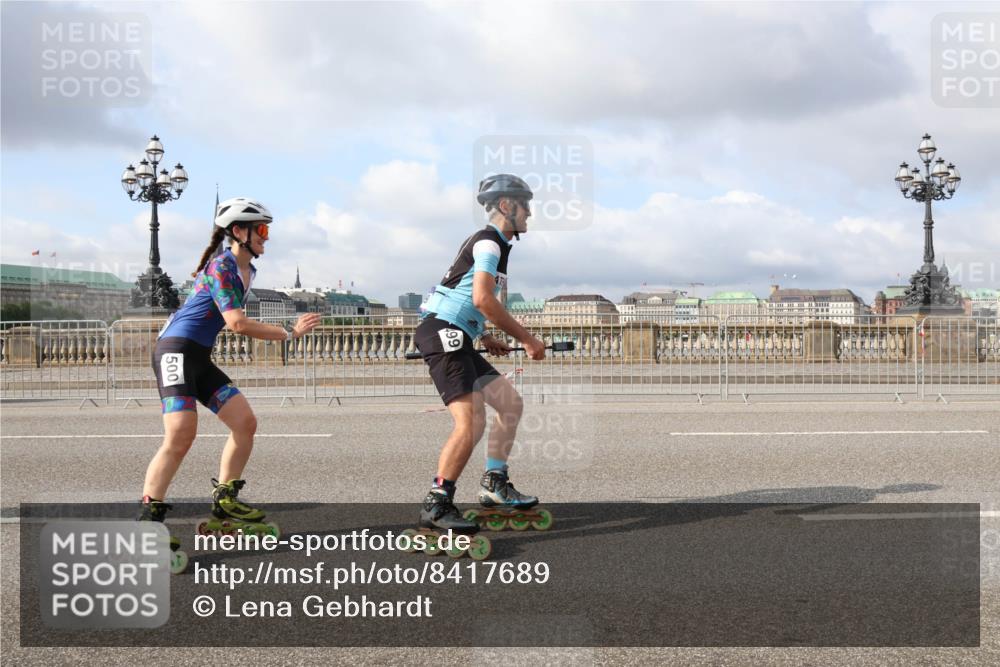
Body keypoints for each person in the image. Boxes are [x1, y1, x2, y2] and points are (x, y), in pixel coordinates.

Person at [138, 197, 320, 552]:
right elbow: (236, 323)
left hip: (199, 356)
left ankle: (225, 500)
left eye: (267, 230)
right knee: (180, 436)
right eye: (261, 230)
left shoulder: (249, 270)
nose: (266, 237)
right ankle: (149, 519)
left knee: (245, 423)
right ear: (239, 232)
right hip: (175, 350)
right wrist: (289, 333)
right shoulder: (222, 266)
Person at [413, 174, 546, 533]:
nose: (530, 213)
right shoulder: (489, 243)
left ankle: (495, 484)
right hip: (443, 334)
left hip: (458, 334)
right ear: (507, 206)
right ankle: (437, 502)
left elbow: (464, 295)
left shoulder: (495, 245)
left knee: (510, 404)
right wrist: (529, 340)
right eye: (525, 205)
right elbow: (482, 299)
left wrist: (484, 336)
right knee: (470, 422)